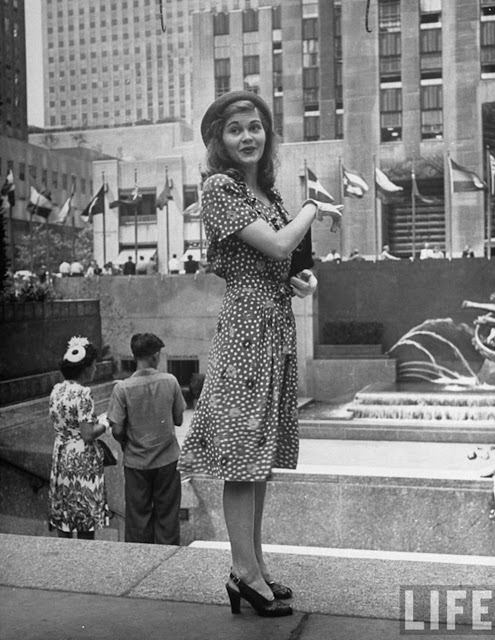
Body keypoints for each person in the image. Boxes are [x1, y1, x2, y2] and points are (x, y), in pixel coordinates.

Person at [178, 90, 341, 618]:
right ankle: (242, 572)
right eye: (235, 129)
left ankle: (255, 566)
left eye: (255, 127)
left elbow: (283, 261)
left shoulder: (267, 194)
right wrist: (315, 205)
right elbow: (276, 245)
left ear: (267, 134)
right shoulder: (220, 187)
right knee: (241, 456)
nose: (248, 136)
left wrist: (301, 281)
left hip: (274, 325)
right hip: (247, 329)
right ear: (219, 140)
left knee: (259, 457)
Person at [108, 333, 186, 544]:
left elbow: (116, 429)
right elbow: (179, 419)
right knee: (168, 516)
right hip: (168, 460)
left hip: (136, 463)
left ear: (135, 356)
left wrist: (126, 442)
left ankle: (141, 557)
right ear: (156, 355)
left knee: (137, 518)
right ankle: (168, 557)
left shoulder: (122, 388)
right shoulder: (171, 381)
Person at [48, 336, 111, 539]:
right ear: (85, 368)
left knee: (64, 514)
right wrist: (106, 423)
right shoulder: (83, 393)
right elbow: (87, 433)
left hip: (61, 455)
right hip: (81, 458)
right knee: (84, 516)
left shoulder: (57, 390)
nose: (95, 369)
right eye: (93, 365)